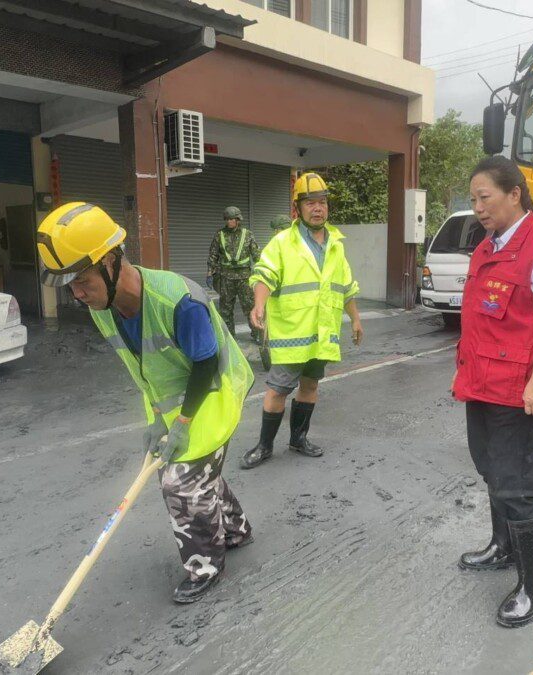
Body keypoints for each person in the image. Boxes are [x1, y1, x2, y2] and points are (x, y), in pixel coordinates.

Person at [37, 202, 255, 602]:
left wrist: (185, 423)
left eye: (82, 280)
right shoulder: (103, 307)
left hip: (211, 391)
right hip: (169, 398)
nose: (77, 293)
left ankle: (205, 564)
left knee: (181, 480)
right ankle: (236, 528)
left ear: (110, 260)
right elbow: (141, 364)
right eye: (69, 285)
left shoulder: (178, 301)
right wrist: (157, 414)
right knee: (196, 470)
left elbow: (205, 363)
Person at [453, 156, 533, 627]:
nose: (479, 207)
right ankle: (501, 547)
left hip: (518, 389)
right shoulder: (488, 247)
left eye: (485, 197)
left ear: (514, 194)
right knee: (489, 468)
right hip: (481, 383)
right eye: (474, 200)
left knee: (516, 485)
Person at [240, 172, 363, 469]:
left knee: (309, 387)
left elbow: (345, 287)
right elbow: (264, 274)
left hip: (322, 334)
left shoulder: (336, 244)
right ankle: (265, 446)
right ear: (298, 209)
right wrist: (259, 304)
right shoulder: (283, 242)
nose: (318, 208)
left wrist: (356, 320)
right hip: (292, 334)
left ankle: (298, 439)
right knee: (278, 390)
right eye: (310, 203)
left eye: (322, 202)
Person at [207, 206, 262, 343]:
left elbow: (257, 255)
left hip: (244, 277)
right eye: (227, 219)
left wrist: (261, 273)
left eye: (232, 219)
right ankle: (229, 337)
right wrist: (210, 272)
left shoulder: (247, 234)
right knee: (225, 309)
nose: (229, 222)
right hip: (226, 277)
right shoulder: (219, 234)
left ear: (238, 219)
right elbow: (213, 254)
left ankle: (256, 333)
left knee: (249, 306)